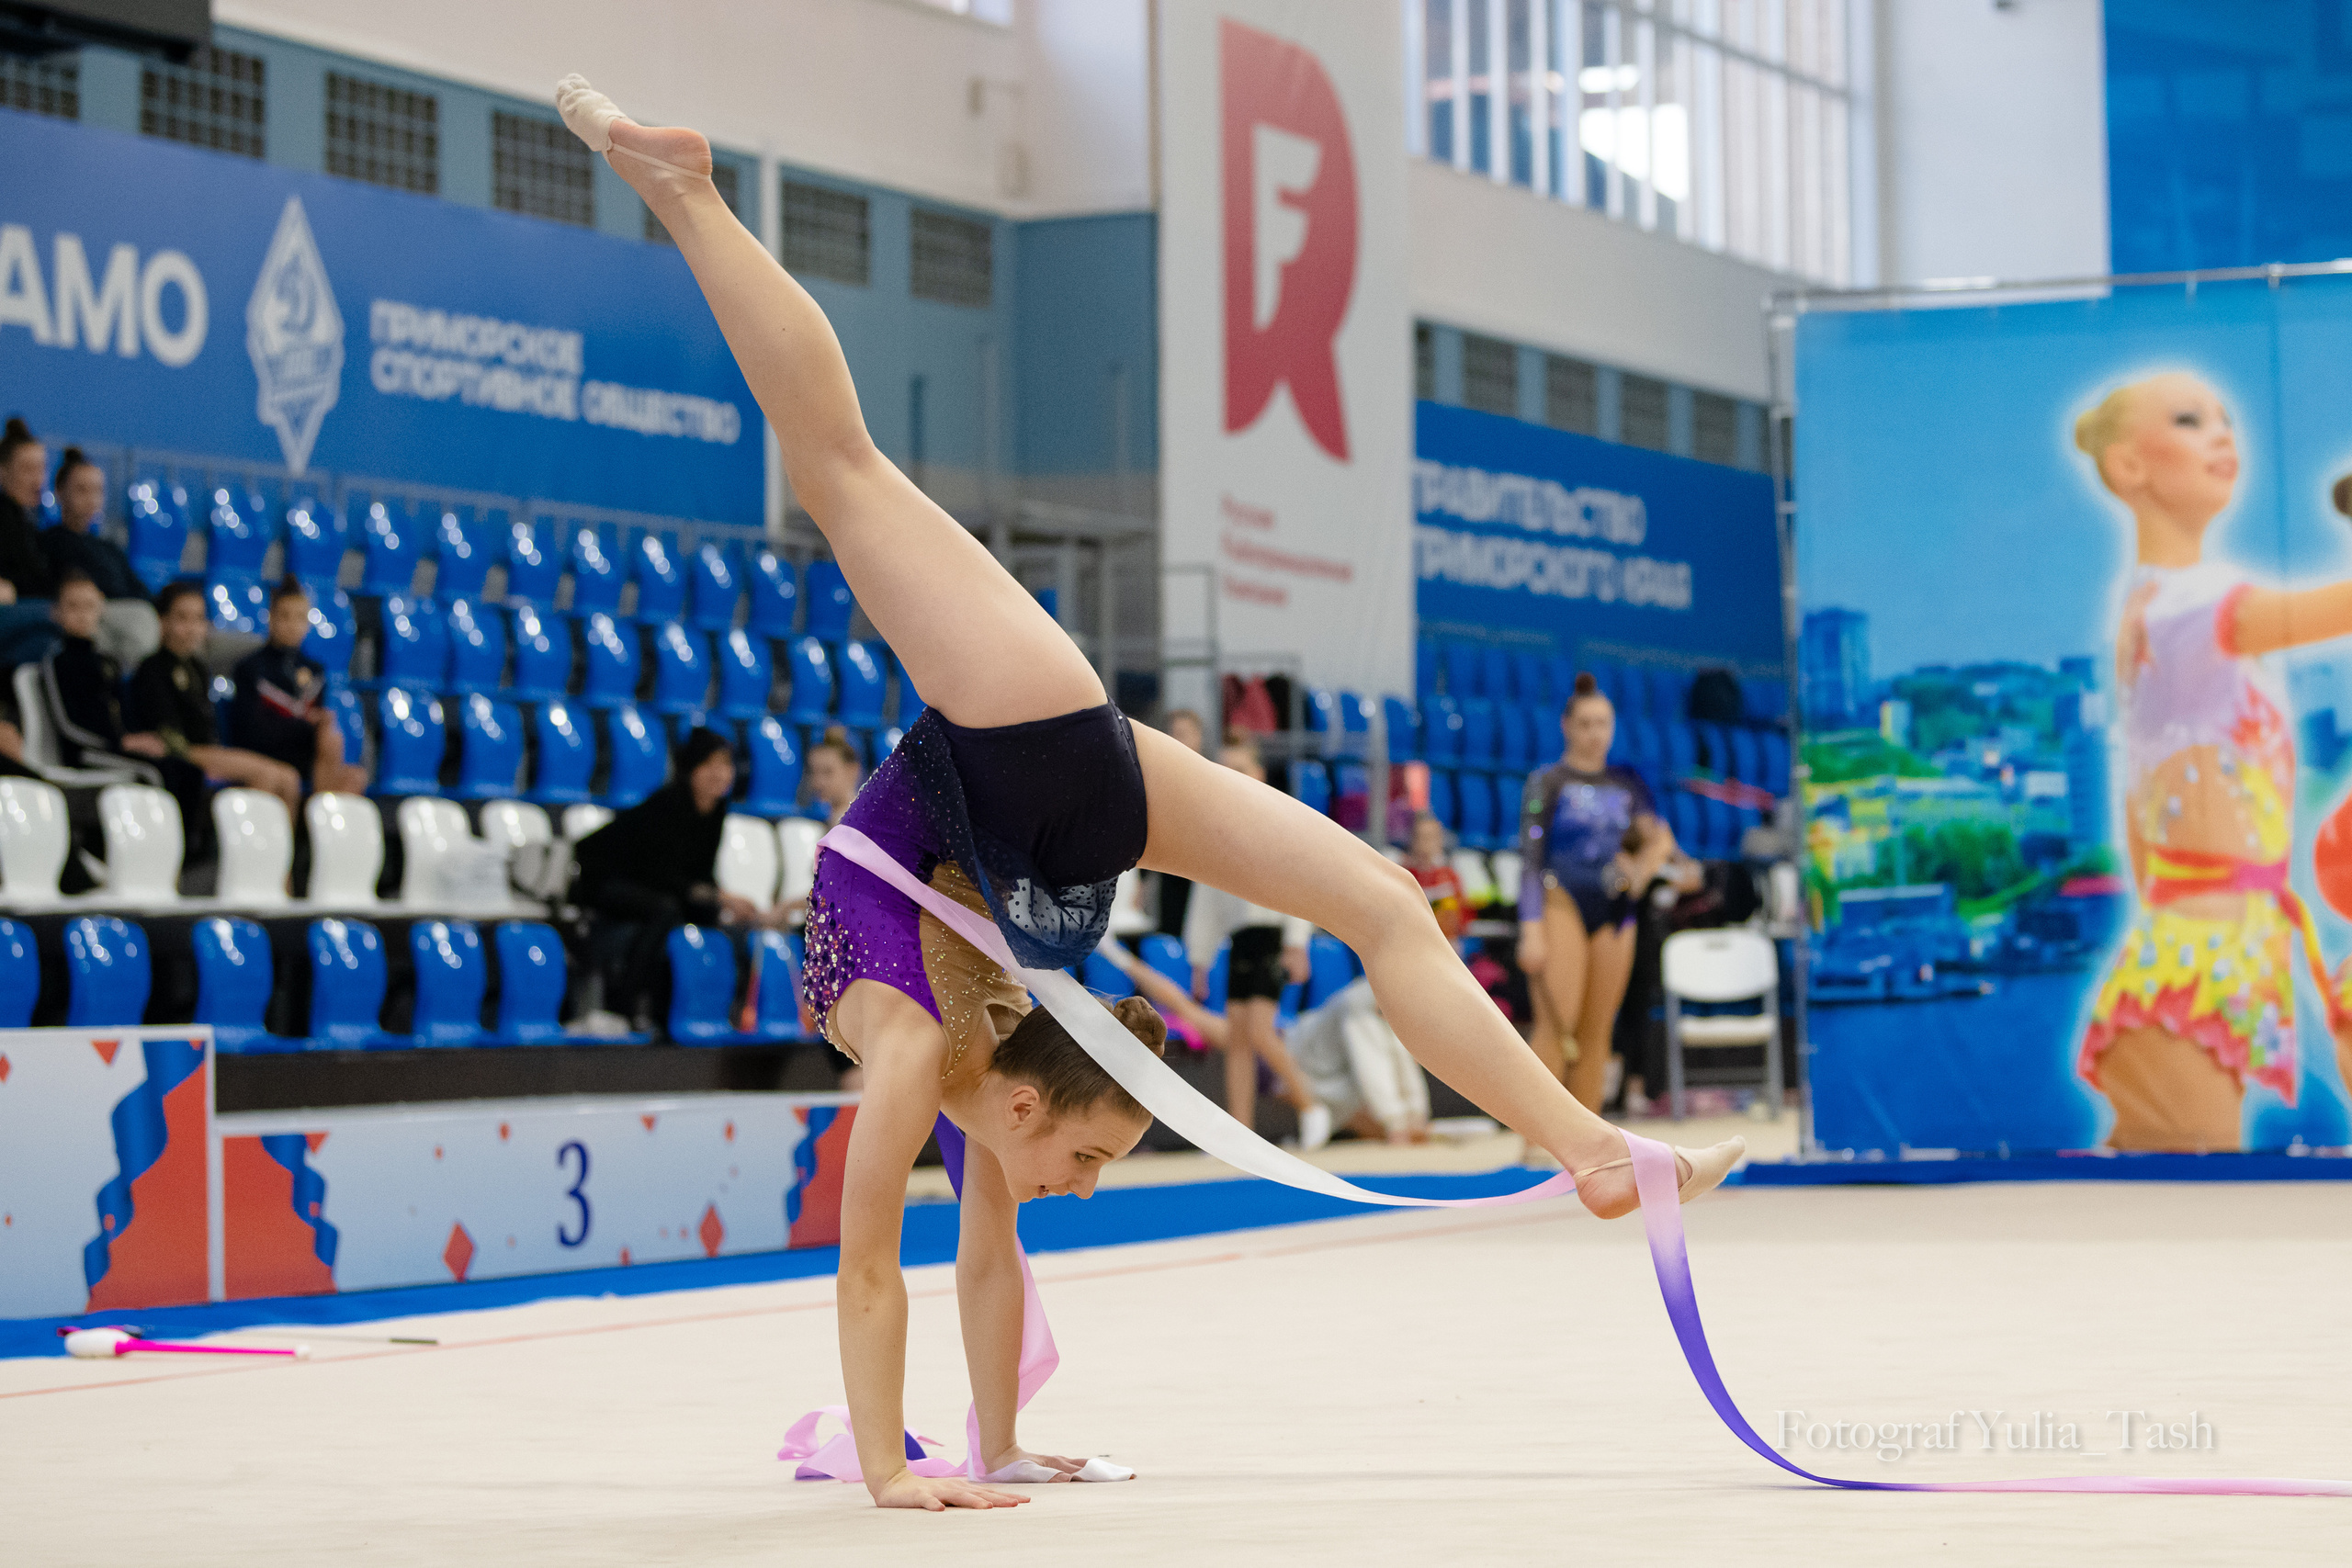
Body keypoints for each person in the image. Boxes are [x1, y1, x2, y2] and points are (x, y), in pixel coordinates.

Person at [556, 77, 1739, 1512]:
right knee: (1380, 898)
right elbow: (983, 1241)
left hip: (1006, 761)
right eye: (1093, 1158)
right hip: (1041, 800)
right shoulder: (989, 1067)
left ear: (1018, 1101)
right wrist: (967, 1454)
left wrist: (893, 1469)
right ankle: (1593, 1150)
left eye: (1086, 1156)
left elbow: (869, 1260)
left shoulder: (921, 1054)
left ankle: (689, 192)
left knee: (841, 466)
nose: (1084, 1182)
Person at [2075, 372, 2352, 1150]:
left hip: (2220, 954)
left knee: (2177, 1193)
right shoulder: (2184, 605)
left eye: (2225, 417)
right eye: (2190, 420)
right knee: (2176, 1192)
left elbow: (2138, 810)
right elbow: (2308, 614)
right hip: (2198, 970)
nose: (2222, 433)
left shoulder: (2154, 610)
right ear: (2129, 466)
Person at [1517, 673, 1690, 1111]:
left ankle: (1586, 1137)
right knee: (1558, 1024)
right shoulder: (1547, 782)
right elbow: (1532, 858)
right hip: (1561, 899)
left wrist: (1642, 870)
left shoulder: (1627, 782)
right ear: (1567, 727)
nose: (1595, 734)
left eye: (1603, 724)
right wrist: (1531, 927)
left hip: (1615, 909)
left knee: (1597, 1032)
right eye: (1586, 724)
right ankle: (1536, 1137)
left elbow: (1660, 839)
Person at [1102, 938, 1431, 1145]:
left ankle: (1392, 982)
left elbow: (1177, 1001)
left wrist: (1119, 958)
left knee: (1362, 1013)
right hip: (1321, 1073)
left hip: (1303, 1042)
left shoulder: (1242, 1037)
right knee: (1374, 1035)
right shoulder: (1243, 1047)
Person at [573, 727, 785, 1031]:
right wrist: (721, 897)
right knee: (666, 910)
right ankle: (622, 1008)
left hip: (651, 884)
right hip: (604, 878)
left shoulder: (717, 808)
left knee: (707, 915)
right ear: (691, 769)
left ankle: (709, 1010)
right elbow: (662, 873)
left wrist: (724, 902)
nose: (719, 773)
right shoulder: (669, 804)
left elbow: (698, 871)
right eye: (709, 765)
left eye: (725, 765)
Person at [1179, 737, 1331, 1146]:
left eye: (1241, 768)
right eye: (1225, 768)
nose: (1233, 776)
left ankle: (1311, 1105)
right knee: (1239, 1041)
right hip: (1240, 943)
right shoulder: (1213, 832)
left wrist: (1296, 943)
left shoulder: (1278, 821)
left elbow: (1298, 883)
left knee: (1262, 1032)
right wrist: (1200, 960)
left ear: (1259, 773)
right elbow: (1207, 900)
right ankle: (1241, 1133)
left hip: (1271, 938)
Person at [39, 570, 213, 859]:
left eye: (89, 606)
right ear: (56, 612)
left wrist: (135, 738)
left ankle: (181, 855)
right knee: (154, 773)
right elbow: (68, 724)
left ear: (101, 609)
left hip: (114, 747)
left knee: (187, 771)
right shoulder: (58, 662)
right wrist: (119, 742)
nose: (82, 614)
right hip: (86, 751)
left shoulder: (106, 661)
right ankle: (153, 855)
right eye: (73, 606)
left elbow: (122, 714)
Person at [130, 581, 307, 818]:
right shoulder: (151, 668)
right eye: (182, 618)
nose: (192, 628)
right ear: (163, 621)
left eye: (198, 619)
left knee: (290, 777)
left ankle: (283, 842)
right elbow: (165, 730)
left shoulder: (198, 668)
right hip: (183, 751)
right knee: (265, 775)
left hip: (206, 749)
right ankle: (248, 840)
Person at [227, 578, 368, 796]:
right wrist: (305, 725)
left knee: (353, 773)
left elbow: (315, 725)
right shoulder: (250, 668)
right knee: (290, 775)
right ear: (271, 618)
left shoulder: (315, 670)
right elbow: (249, 732)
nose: (293, 625)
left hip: (304, 755)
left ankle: (319, 811)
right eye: (285, 616)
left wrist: (320, 722)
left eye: (300, 617)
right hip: (264, 754)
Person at [39, 448, 157, 670]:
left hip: (126, 617)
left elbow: (138, 588)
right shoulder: (49, 542)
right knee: (142, 619)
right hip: (89, 620)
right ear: (60, 492)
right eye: (82, 490)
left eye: (97, 491)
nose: (91, 499)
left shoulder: (109, 547)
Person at [0, 418, 61, 667]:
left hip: (25, 608)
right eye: (27, 470)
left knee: (49, 640)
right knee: (61, 617)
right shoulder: (5, 516)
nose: (38, 480)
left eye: (41, 469)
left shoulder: (28, 522)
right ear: (3, 471)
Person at [1150, 706, 1206, 941]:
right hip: (1170, 873)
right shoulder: (1157, 782)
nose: (1177, 740)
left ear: (1198, 737)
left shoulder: (1211, 780)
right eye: (1173, 734)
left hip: (1202, 874)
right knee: (1170, 936)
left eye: (1183, 734)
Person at [1401, 809, 1468, 941]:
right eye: (1421, 837)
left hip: (1444, 940)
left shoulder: (1450, 877)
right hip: (1412, 939)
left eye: (1431, 838)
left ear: (1439, 841)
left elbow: (1463, 917)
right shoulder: (1403, 875)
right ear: (1412, 840)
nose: (1425, 844)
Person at [805, 727, 865, 827]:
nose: (818, 782)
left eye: (827, 772)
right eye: (813, 772)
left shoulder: (860, 822)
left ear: (852, 770)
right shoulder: (824, 819)